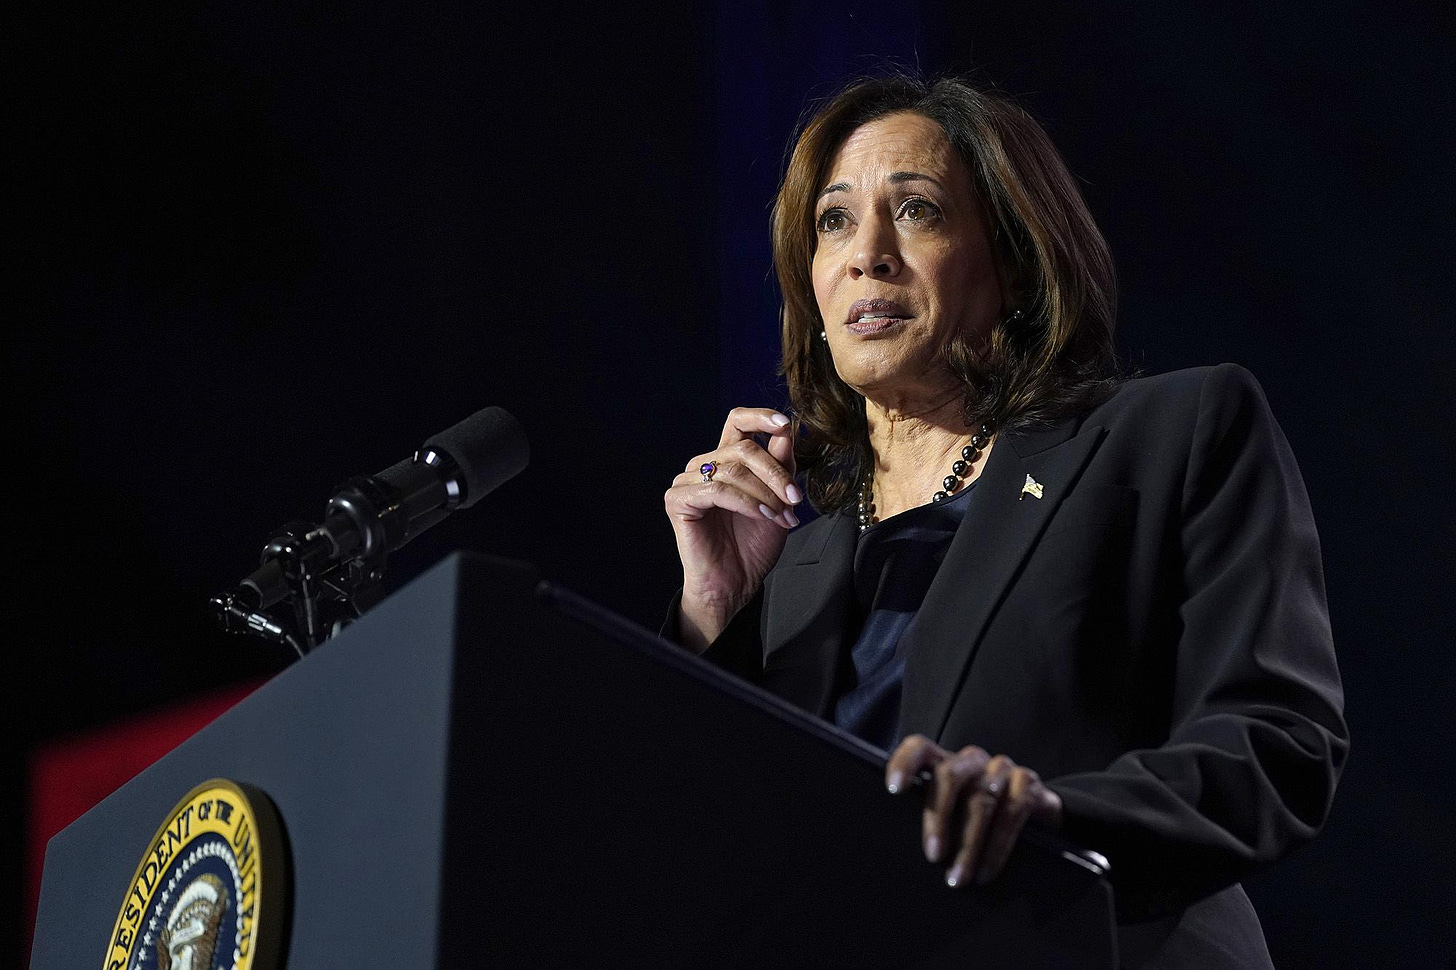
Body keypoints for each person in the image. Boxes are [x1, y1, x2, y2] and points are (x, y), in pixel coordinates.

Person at [662, 75, 1348, 968]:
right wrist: (709, 611)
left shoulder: (1167, 435)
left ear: (1014, 261)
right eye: (833, 221)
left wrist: (1059, 823)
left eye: (915, 211)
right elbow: (695, 854)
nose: (866, 253)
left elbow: (1278, 742)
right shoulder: (793, 547)